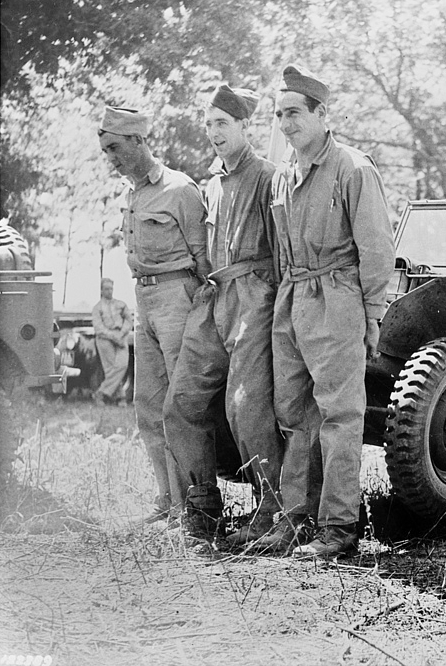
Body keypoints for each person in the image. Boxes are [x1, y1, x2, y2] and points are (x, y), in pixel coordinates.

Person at [257, 64, 395, 557]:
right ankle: (295, 518)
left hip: (337, 299)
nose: (285, 123)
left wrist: (372, 315)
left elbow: (377, 249)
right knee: (294, 414)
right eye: (279, 115)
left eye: (294, 113)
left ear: (321, 113)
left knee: (339, 415)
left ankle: (339, 529)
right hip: (293, 299)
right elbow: (278, 249)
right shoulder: (283, 178)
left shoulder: (353, 168)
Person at [163, 84, 283, 547]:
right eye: (209, 124)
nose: (214, 132)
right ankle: (203, 504)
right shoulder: (210, 185)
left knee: (246, 407)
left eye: (222, 123)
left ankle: (272, 510)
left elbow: (283, 251)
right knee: (181, 404)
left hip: (255, 296)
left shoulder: (269, 177)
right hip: (214, 298)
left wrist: (271, 302)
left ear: (243, 126)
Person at [98, 106, 209, 524]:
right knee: (147, 404)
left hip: (178, 298)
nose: (111, 157)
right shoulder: (131, 193)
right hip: (144, 303)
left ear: (139, 141)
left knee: (183, 406)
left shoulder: (179, 189)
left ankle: (197, 506)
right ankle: (169, 499)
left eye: (115, 147)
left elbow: (205, 259)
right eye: (106, 150)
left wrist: (197, 310)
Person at [91, 278, 133, 405]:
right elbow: (98, 327)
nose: (109, 291)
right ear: (101, 290)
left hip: (121, 335)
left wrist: (121, 334)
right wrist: (112, 336)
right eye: (106, 289)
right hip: (105, 339)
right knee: (110, 369)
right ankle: (120, 398)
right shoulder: (97, 308)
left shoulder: (121, 304)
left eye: (111, 288)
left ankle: (100, 393)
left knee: (122, 365)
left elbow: (129, 320)